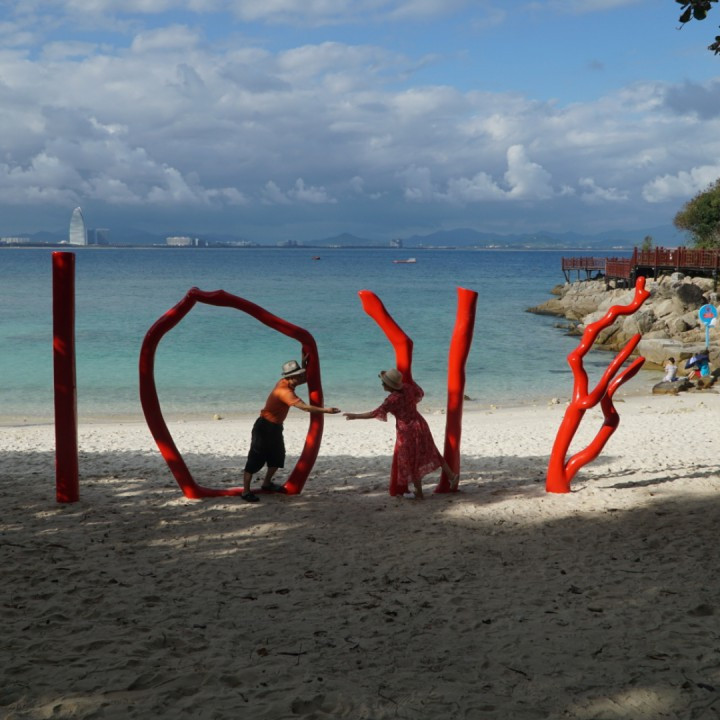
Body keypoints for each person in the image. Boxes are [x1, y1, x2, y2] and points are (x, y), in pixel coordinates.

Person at [343, 368, 458, 499]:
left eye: (384, 383)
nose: (382, 384)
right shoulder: (408, 388)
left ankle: (419, 493)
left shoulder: (392, 400)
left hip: (407, 431)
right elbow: (420, 393)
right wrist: (411, 379)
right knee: (433, 451)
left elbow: (375, 413)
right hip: (420, 424)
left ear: (389, 385)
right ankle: (452, 476)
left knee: (412, 459)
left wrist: (355, 416)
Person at [241, 359, 340, 502]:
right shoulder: (285, 392)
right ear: (291, 377)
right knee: (255, 459)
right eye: (299, 375)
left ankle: (266, 484)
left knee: (278, 457)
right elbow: (305, 408)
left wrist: (304, 362)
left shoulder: (285, 382)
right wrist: (326, 410)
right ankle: (245, 491)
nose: (302, 378)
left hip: (276, 427)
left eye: (301, 374)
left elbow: (304, 378)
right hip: (264, 427)